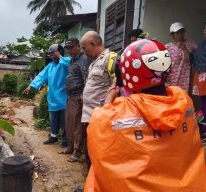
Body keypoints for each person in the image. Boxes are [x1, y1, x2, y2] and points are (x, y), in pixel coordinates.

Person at [85, 39, 206, 192]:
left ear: (128, 73)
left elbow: (97, 136)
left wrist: (108, 101)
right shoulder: (184, 101)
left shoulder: (119, 111)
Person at [80, 31, 117, 174]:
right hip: (88, 115)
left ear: (94, 44)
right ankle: (90, 180)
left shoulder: (110, 58)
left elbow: (117, 81)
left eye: (85, 48)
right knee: (90, 148)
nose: (84, 52)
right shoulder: (94, 63)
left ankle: (96, 182)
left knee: (98, 151)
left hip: (99, 116)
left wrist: (108, 102)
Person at [23, 44, 70, 146]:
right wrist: (31, 86)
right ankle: (54, 137)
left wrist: (60, 57)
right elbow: (41, 76)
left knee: (64, 120)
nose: (52, 56)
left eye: (54, 53)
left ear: (59, 52)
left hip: (64, 97)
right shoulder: (50, 66)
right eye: (51, 54)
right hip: (52, 97)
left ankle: (65, 140)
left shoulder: (65, 61)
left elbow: (70, 64)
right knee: (53, 119)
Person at [58, 38, 92, 162]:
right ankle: (70, 146)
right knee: (69, 124)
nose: (69, 50)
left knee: (78, 126)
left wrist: (83, 95)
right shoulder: (73, 59)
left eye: (71, 48)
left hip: (78, 97)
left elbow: (86, 79)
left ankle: (77, 152)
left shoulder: (84, 59)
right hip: (70, 97)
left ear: (78, 46)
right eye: (67, 48)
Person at [165, 22, 197, 93]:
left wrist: (184, 48)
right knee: (171, 99)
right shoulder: (167, 47)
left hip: (185, 80)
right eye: (177, 33)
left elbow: (195, 59)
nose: (180, 34)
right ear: (172, 35)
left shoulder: (190, 43)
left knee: (183, 99)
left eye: (182, 32)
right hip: (171, 79)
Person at [192, 22, 206, 135]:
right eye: (204, 28)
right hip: (202, 77)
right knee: (203, 102)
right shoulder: (201, 46)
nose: (205, 31)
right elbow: (194, 58)